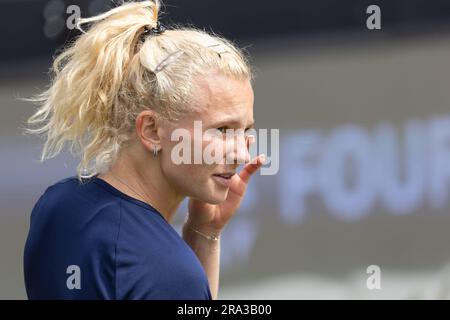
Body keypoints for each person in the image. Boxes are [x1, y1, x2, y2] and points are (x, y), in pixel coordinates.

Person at [23, 0, 265, 299]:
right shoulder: (167, 271)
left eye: (246, 131)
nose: (241, 154)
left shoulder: (57, 205)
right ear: (151, 130)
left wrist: (204, 234)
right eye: (222, 130)